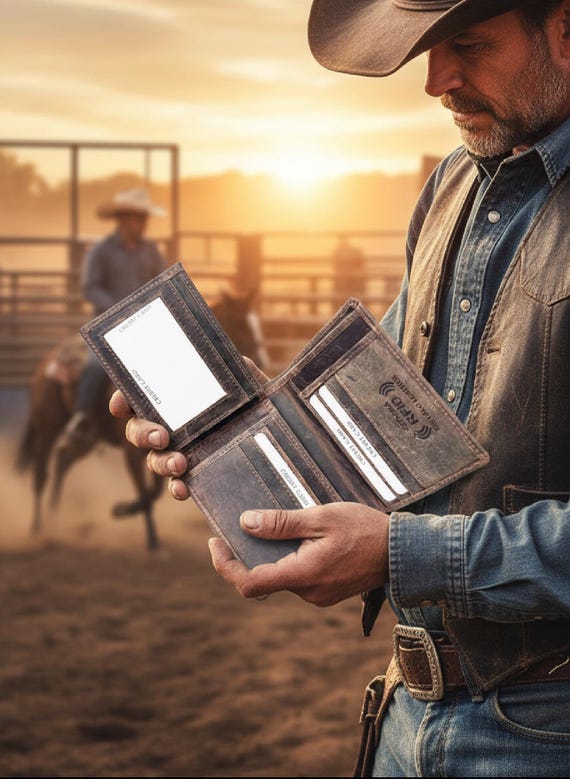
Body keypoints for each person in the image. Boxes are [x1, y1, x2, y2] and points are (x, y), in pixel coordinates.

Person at [109, 1, 570, 776]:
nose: (437, 81)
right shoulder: (453, 184)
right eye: (428, 49)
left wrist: (400, 554)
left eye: (469, 45)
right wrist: (248, 418)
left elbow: (400, 540)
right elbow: (379, 407)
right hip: (407, 707)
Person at [65, 188, 167, 441]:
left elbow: (162, 281)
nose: (143, 224)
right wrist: (118, 309)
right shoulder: (100, 251)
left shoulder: (151, 251)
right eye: (138, 218)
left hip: (144, 325)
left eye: (144, 218)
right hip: (107, 327)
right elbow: (90, 287)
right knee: (96, 366)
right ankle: (81, 416)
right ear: (123, 219)